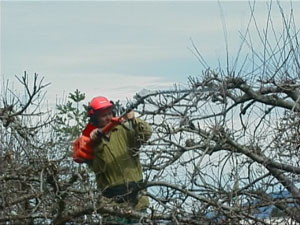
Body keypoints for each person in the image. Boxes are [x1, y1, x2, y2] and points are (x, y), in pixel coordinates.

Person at [87, 96, 152, 224]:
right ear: (95, 119)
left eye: (110, 113)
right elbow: (97, 168)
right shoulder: (90, 142)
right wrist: (97, 144)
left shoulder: (125, 130)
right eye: (103, 115)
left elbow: (146, 133)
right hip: (111, 204)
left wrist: (133, 120)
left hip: (137, 200)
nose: (108, 118)